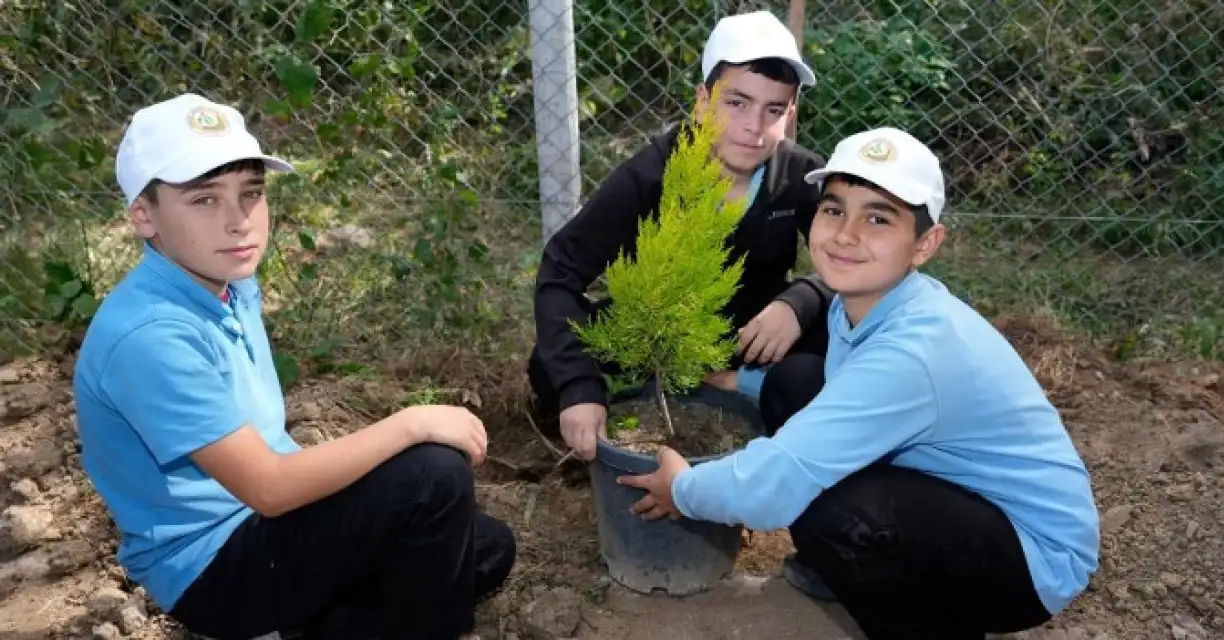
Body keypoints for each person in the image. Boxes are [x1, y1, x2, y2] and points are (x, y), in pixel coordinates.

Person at [617, 127, 1101, 639]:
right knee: (792, 381)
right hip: (965, 501)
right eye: (834, 210)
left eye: (878, 218)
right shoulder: (866, 305)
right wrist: (744, 383)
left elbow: (780, 479)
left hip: (1031, 561)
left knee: (830, 511)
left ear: (925, 244)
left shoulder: (914, 352)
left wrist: (683, 489)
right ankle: (859, 569)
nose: (846, 235)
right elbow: (841, 388)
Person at [72, 93, 516, 640]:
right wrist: (411, 423)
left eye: (251, 194)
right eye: (204, 200)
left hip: (265, 531)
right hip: (217, 568)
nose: (239, 221)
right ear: (144, 215)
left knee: (485, 546)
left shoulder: (226, 283)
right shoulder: (150, 336)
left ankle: (301, 628)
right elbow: (271, 487)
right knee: (434, 478)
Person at [529, 10, 837, 461]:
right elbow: (560, 270)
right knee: (551, 364)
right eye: (737, 103)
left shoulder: (801, 177)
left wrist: (800, 302)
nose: (754, 126)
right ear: (702, 101)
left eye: (773, 110)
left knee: (825, 362)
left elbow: (859, 265)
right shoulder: (649, 176)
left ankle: (755, 417)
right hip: (656, 334)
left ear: (790, 113)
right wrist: (579, 386)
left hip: (752, 341)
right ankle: (623, 421)